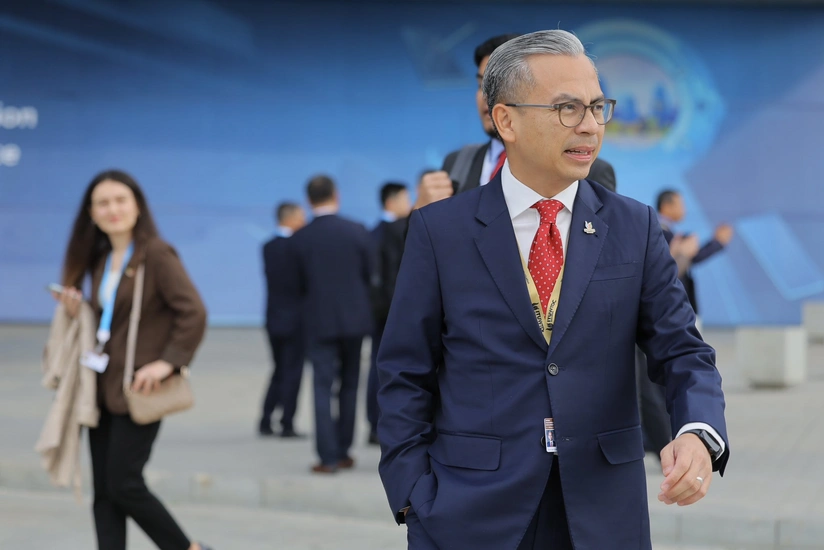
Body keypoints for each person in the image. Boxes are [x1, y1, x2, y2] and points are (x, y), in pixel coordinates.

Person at [377, 31, 729, 550]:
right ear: (506, 121)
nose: (589, 126)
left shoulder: (633, 227)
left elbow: (683, 351)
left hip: (602, 514)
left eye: (597, 107)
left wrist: (698, 432)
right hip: (466, 514)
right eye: (566, 108)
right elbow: (404, 371)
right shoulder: (440, 230)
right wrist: (411, 493)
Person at [54, 170, 211, 550]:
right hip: (101, 387)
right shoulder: (101, 258)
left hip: (139, 388)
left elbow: (193, 312)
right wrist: (77, 311)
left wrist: (167, 363)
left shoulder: (155, 253)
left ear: (137, 206)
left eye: (120, 200)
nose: (113, 209)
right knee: (105, 492)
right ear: (91, 213)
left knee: (124, 483)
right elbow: (112, 322)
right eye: (103, 203)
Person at [413, 33, 617, 213]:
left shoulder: (592, 172)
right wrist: (421, 214)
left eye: (598, 107)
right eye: (481, 86)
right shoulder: (458, 163)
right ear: (504, 119)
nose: (487, 98)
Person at [287, 175, 375, 473]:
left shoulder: (300, 238)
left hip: (318, 321)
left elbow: (296, 285)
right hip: (355, 320)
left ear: (308, 200)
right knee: (350, 385)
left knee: (322, 387)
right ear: (336, 195)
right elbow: (370, 275)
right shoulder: (357, 230)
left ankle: (327, 458)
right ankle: (344, 451)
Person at [367, 182, 412, 445]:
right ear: (391, 202)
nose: (409, 204)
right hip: (394, 312)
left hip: (377, 312)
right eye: (406, 199)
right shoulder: (400, 230)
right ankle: (385, 423)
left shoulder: (373, 232)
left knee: (376, 366)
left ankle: (374, 423)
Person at [259, 201, 307, 438]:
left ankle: (265, 419)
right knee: (293, 372)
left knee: (278, 370)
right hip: (297, 320)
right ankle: (287, 422)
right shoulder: (300, 247)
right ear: (291, 218)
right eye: (301, 216)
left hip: (273, 318)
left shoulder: (268, 247)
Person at [657, 189, 735, 316]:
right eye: (680, 205)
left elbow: (690, 257)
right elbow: (691, 258)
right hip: (673, 309)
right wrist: (717, 242)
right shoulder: (661, 233)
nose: (684, 209)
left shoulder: (665, 232)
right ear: (666, 206)